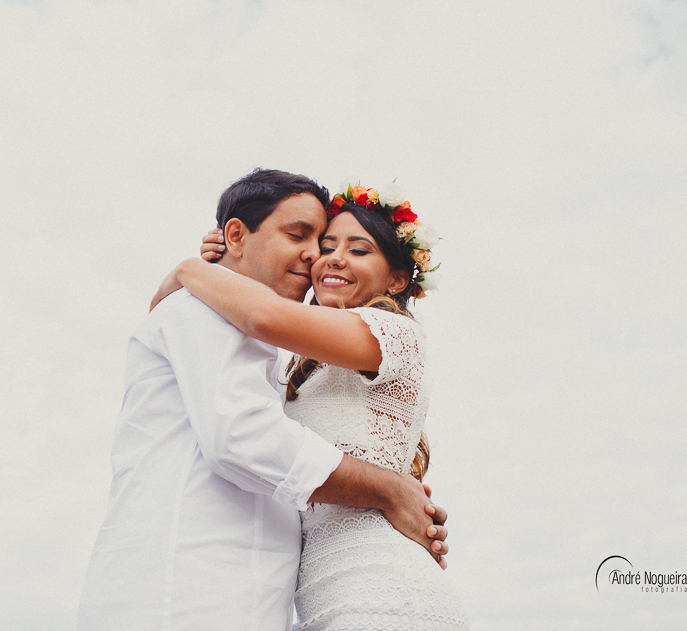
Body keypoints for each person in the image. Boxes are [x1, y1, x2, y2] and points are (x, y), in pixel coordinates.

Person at [77, 169, 449, 631]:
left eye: (355, 249)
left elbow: (265, 320)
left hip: (353, 582)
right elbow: (243, 436)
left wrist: (190, 269)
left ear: (397, 280)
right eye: (306, 237)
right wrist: (385, 485)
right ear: (235, 234)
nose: (320, 256)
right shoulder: (206, 311)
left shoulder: (384, 335)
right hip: (189, 591)